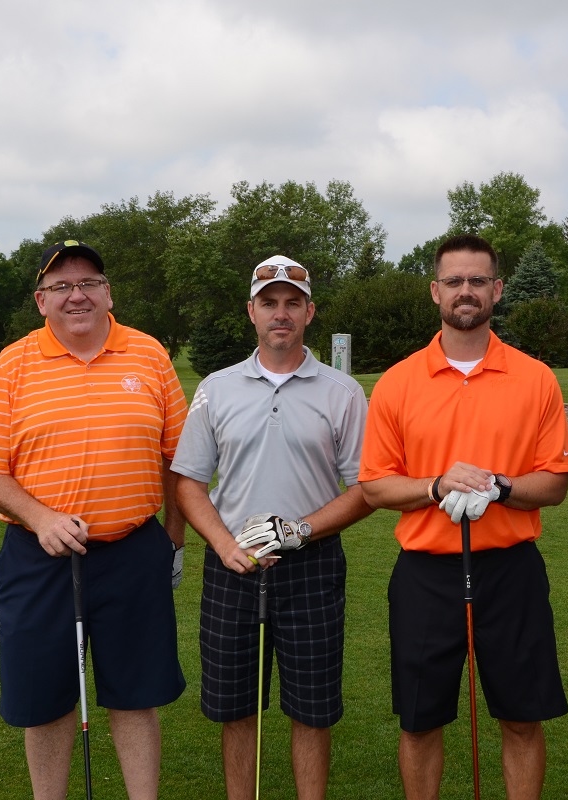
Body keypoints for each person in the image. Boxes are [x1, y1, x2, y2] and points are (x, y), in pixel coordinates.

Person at [0, 240, 188, 800]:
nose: (76, 295)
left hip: (134, 551)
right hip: (38, 557)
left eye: (88, 282)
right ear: (41, 301)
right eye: (61, 286)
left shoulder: (149, 354)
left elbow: (180, 461)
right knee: (44, 700)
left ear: (108, 292)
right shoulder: (12, 363)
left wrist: (174, 544)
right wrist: (40, 518)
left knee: (136, 696)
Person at [358, 233, 568, 800]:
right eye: (454, 281)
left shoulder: (536, 378)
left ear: (497, 290)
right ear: (435, 291)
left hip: (511, 569)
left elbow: (554, 483)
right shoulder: (398, 382)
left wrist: (501, 487)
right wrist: (434, 486)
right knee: (420, 720)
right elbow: (377, 485)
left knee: (522, 718)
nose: (466, 292)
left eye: (478, 281)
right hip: (426, 574)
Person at [171, 255, 372, 800]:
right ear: (251, 312)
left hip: (312, 564)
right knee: (236, 708)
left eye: (291, 303)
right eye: (269, 303)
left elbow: (364, 490)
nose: (280, 314)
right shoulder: (216, 387)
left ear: (310, 311)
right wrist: (223, 544)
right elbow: (188, 481)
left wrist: (300, 530)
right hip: (233, 566)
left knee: (312, 709)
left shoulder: (343, 392)